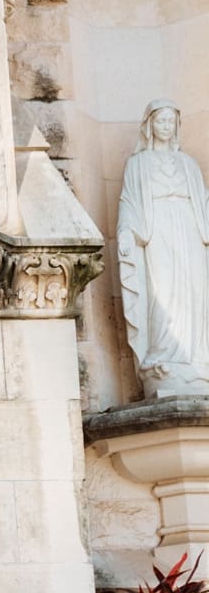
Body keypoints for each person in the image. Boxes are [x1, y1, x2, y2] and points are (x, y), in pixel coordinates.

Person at [118, 99, 209, 396]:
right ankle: (164, 354)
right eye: (161, 121)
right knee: (164, 293)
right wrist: (126, 232)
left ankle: (197, 357)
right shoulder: (138, 164)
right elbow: (129, 202)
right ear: (149, 125)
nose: (166, 127)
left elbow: (203, 204)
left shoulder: (189, 164)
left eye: (171, 122)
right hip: (158, 232)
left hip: (190, 231)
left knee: (195, 292)